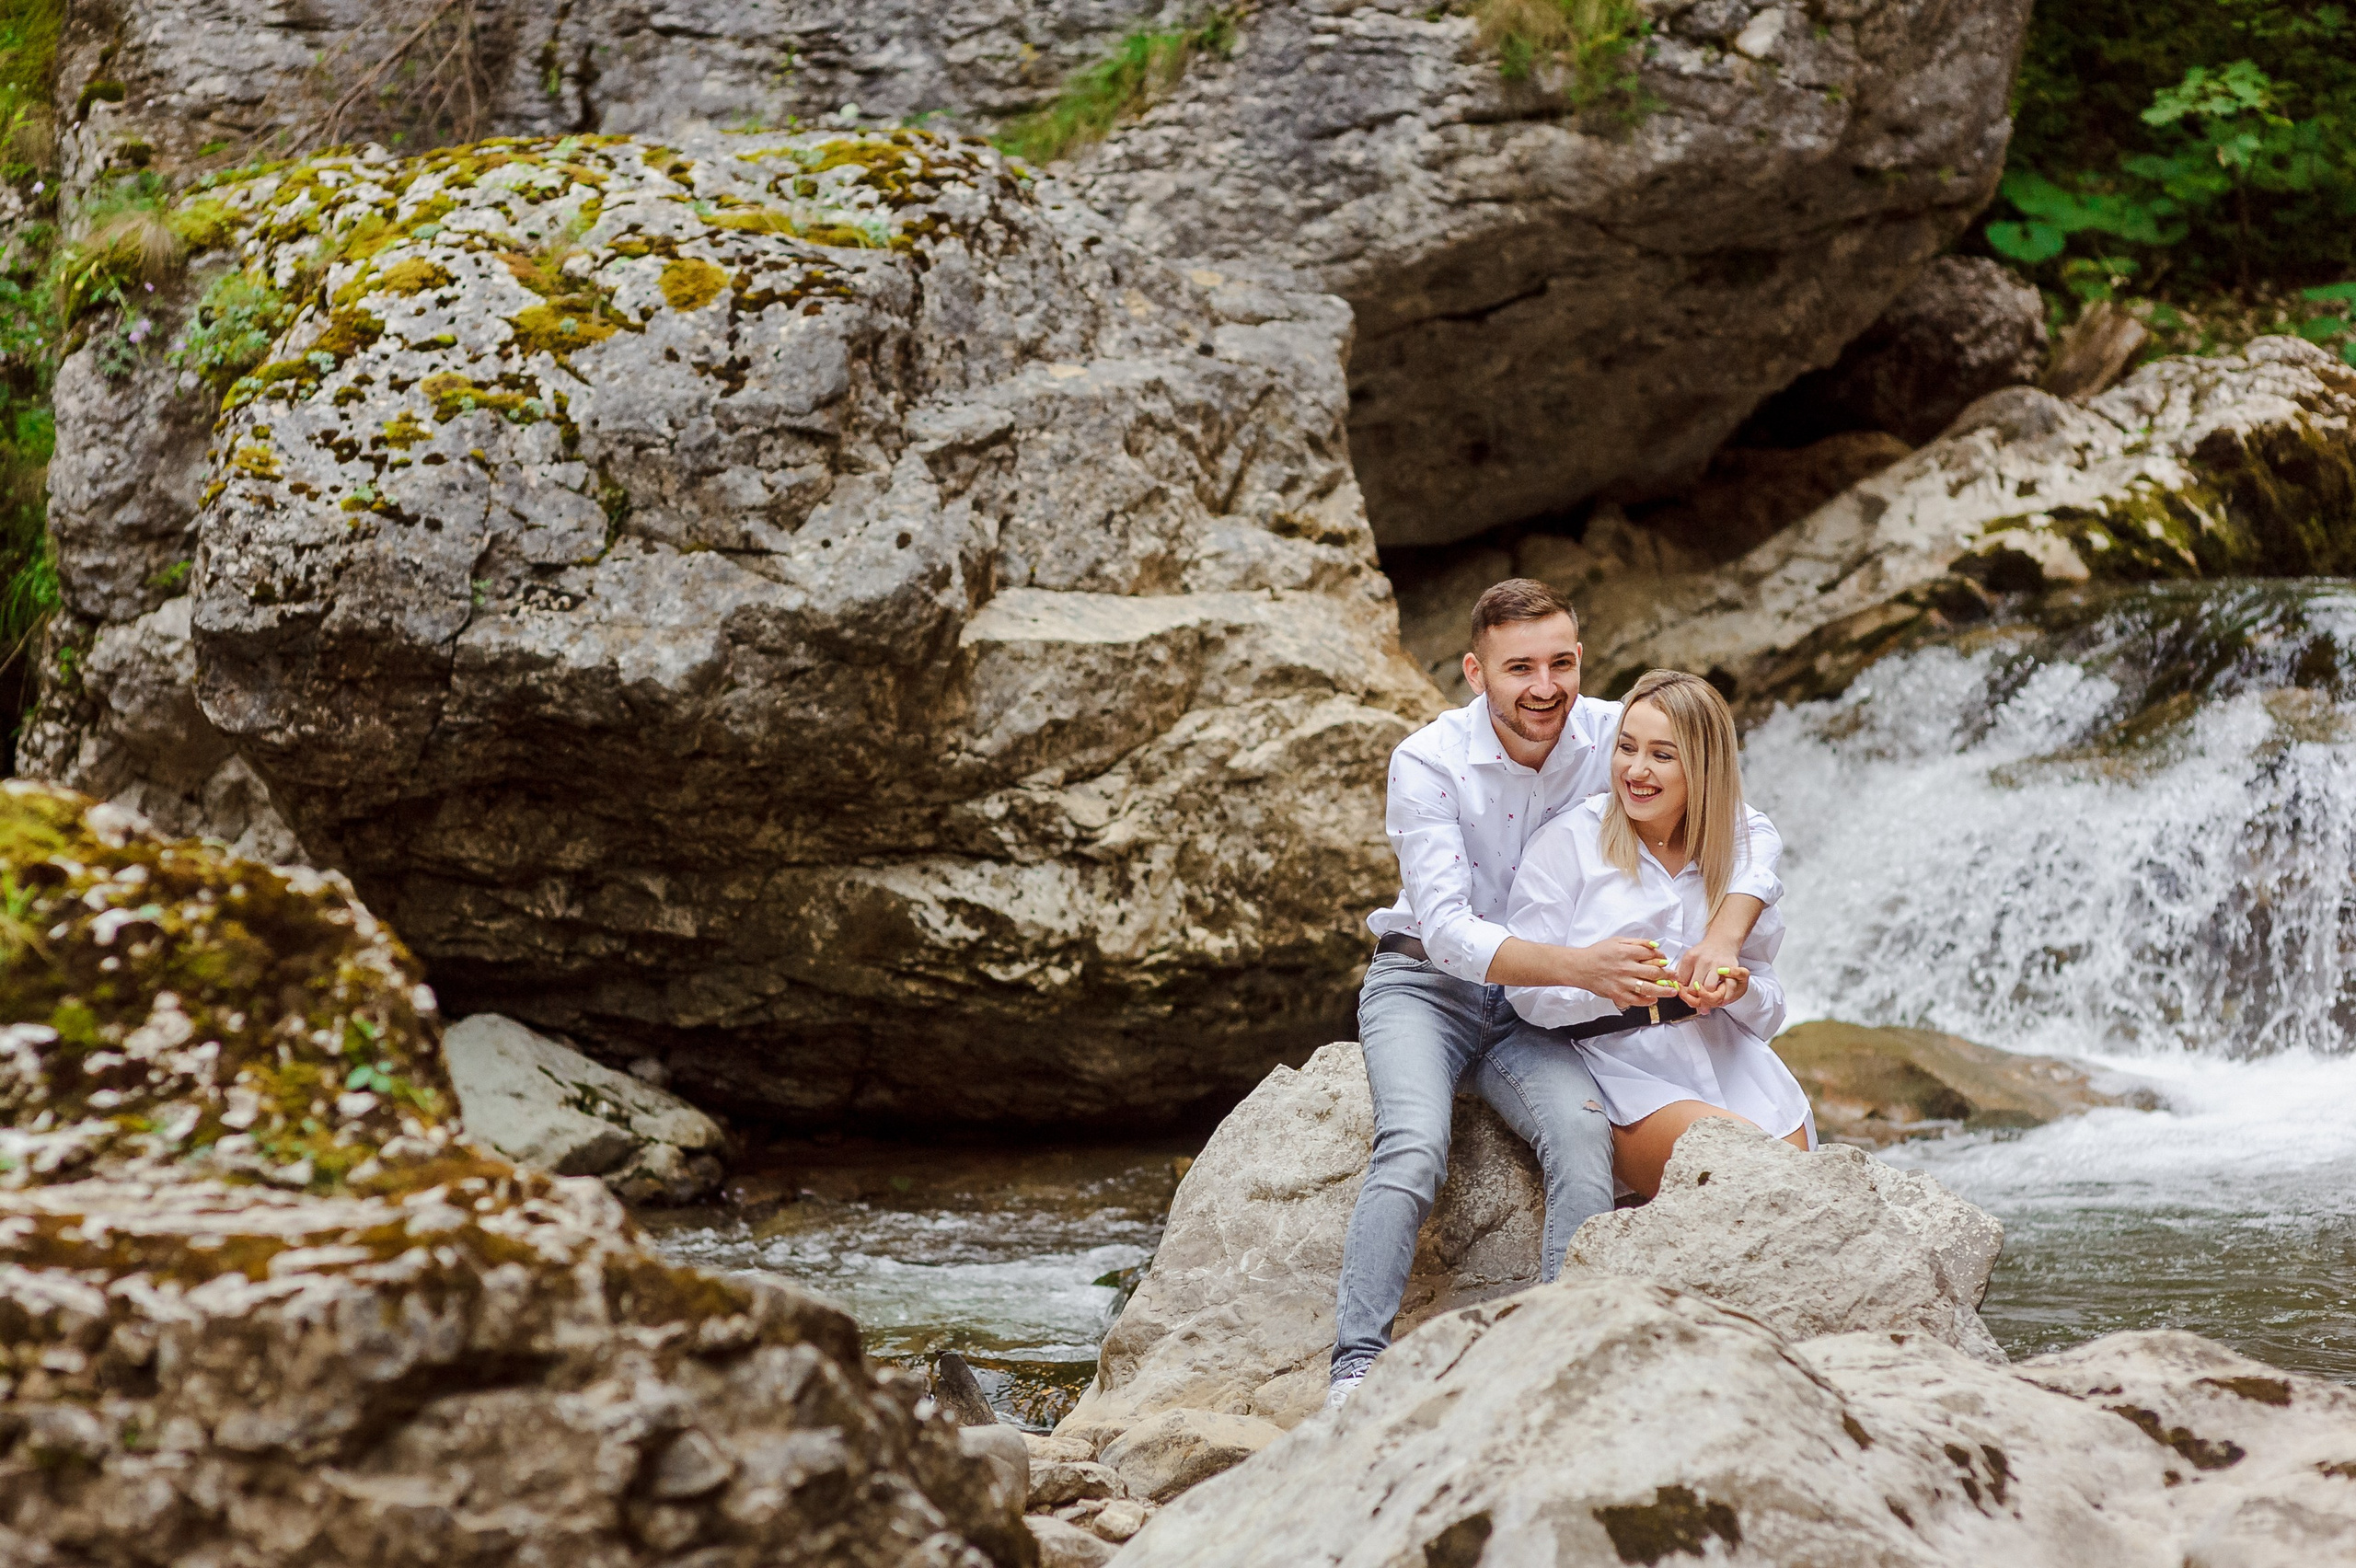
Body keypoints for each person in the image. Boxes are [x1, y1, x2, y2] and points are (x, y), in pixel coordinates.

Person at [1327, 581, 1785, 1410]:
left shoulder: (1618, 733)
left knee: (1580, 1142)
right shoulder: (1426, 762)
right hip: (1429, 985)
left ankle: (1557, 1351)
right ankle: (1355, 1366)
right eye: (1519, 668)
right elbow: (1451, 931)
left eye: (1562, 662)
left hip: (1540, 1016)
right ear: (1476, 672)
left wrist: (1721, 938)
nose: (1545, 687)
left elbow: (1750, 829)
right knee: (1415, 1142)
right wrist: (1581, 968)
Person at [1504, 668, 1814, 1201]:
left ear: (1704, 767)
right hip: (1621, 1066)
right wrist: (1601, 981)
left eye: (1662, 756)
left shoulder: (1734, 853)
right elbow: (1526, 996)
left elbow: (1770, 1006)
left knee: (1805, 1198)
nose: (1636, 770)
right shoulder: (1569, 844)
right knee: (1749, 1185)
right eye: (1627, 748)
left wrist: (1737, 992)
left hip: (1731, 1059)